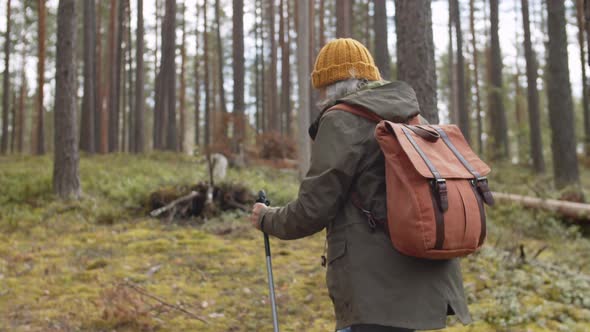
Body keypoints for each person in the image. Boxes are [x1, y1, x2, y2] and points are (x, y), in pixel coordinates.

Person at [249, 38, 472, 332]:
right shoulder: (414, 117)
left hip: (375, 290)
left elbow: (312, 208)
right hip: (427, 277)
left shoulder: (342, 120)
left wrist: (267, 218)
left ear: (330, 85)